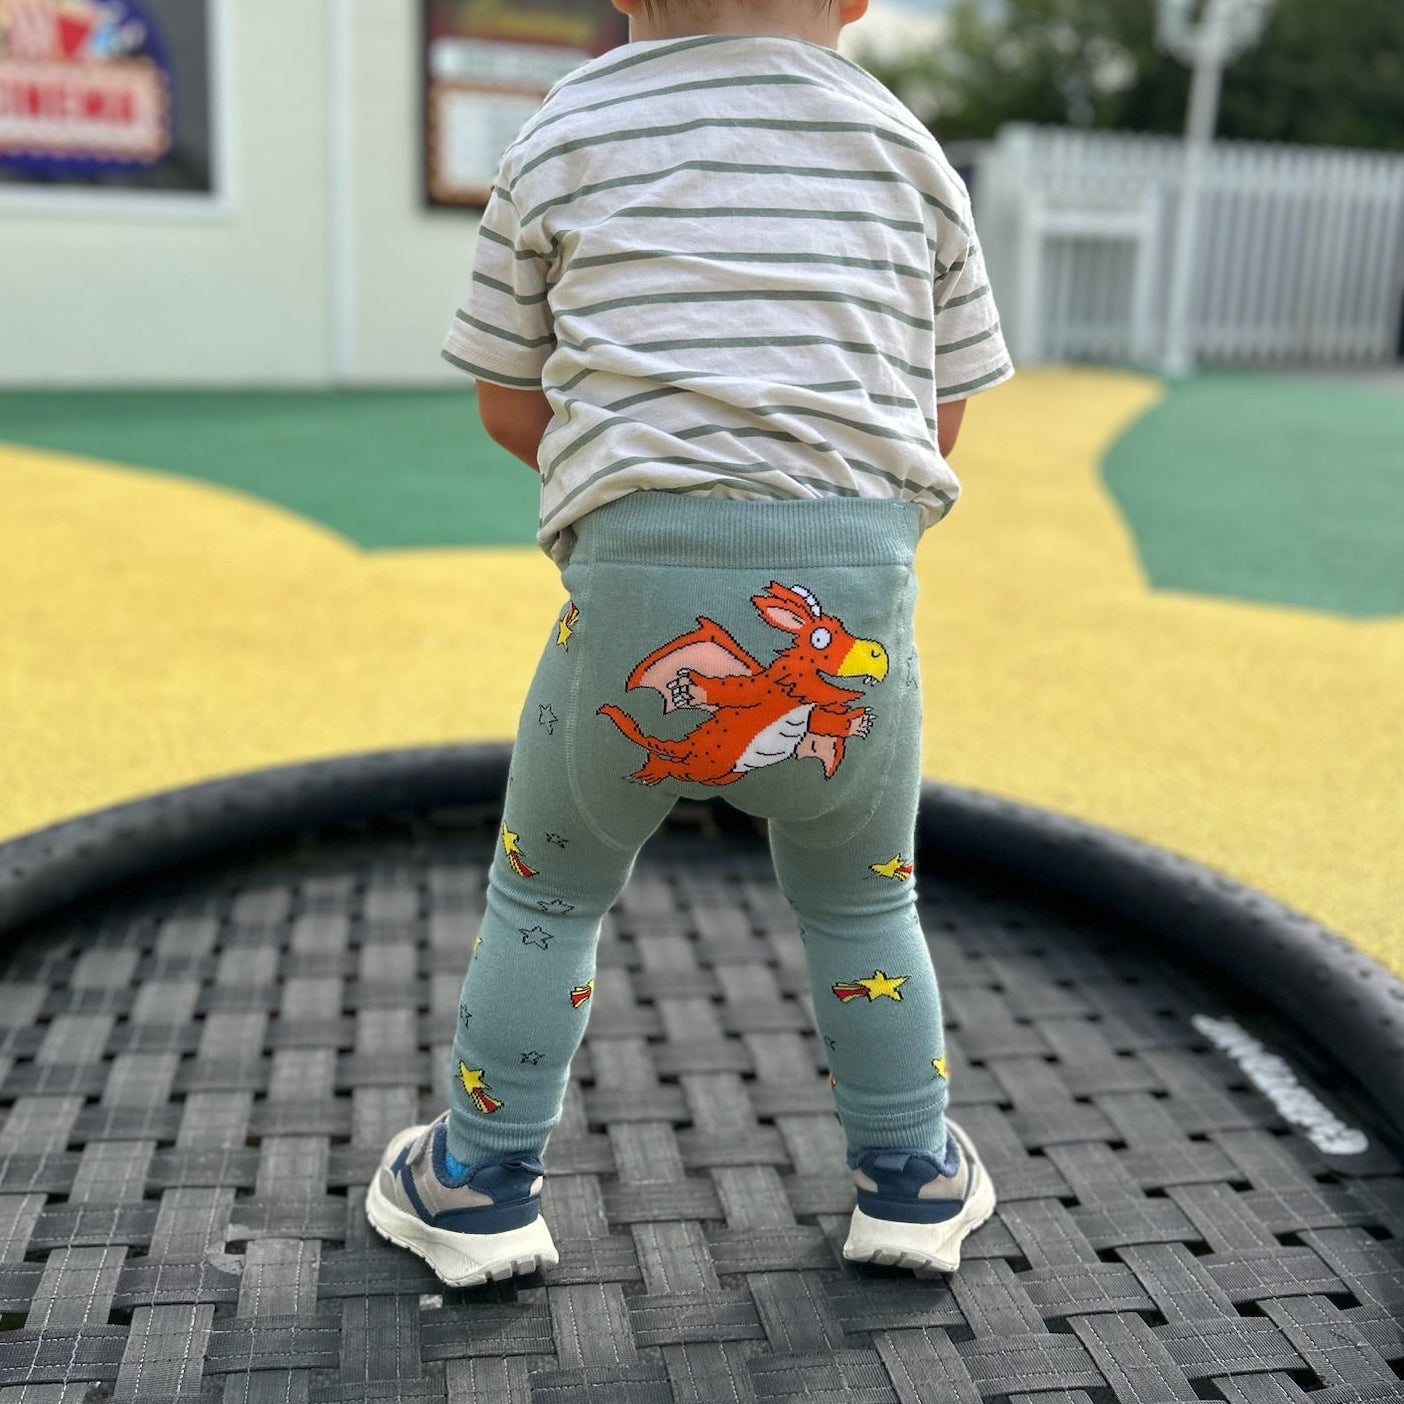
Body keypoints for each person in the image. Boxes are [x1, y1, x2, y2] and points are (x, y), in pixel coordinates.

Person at [366, 0, 1013, 1287]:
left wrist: (641, 493)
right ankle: (911, 1176)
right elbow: (935, 427)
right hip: (851, 625)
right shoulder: (908, 150)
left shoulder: (566, 128)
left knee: (545, 897)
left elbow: (509, 403)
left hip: (631, 613)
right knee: (866, 903)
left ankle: (479, 1184)